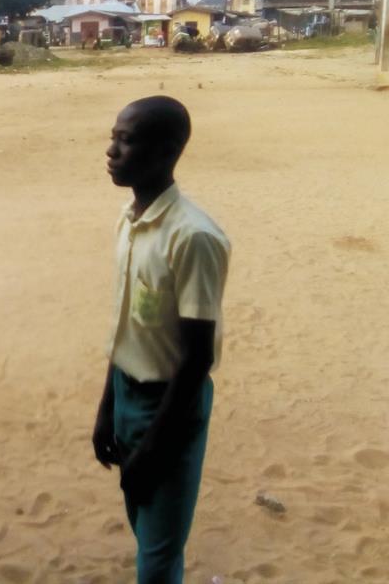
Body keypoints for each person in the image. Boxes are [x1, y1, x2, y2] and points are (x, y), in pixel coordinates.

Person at [93, 97, 231, 584]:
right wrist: (107, 407)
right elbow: (127, 326)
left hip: (170, 408)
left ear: (167, 151)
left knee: (157, 552)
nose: (111, 150)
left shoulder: (192, 237)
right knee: (144, 525)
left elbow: (195, 358)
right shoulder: (129, 223)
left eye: (125, 141)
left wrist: (155, 444)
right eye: (113, 137)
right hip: (129, 396)